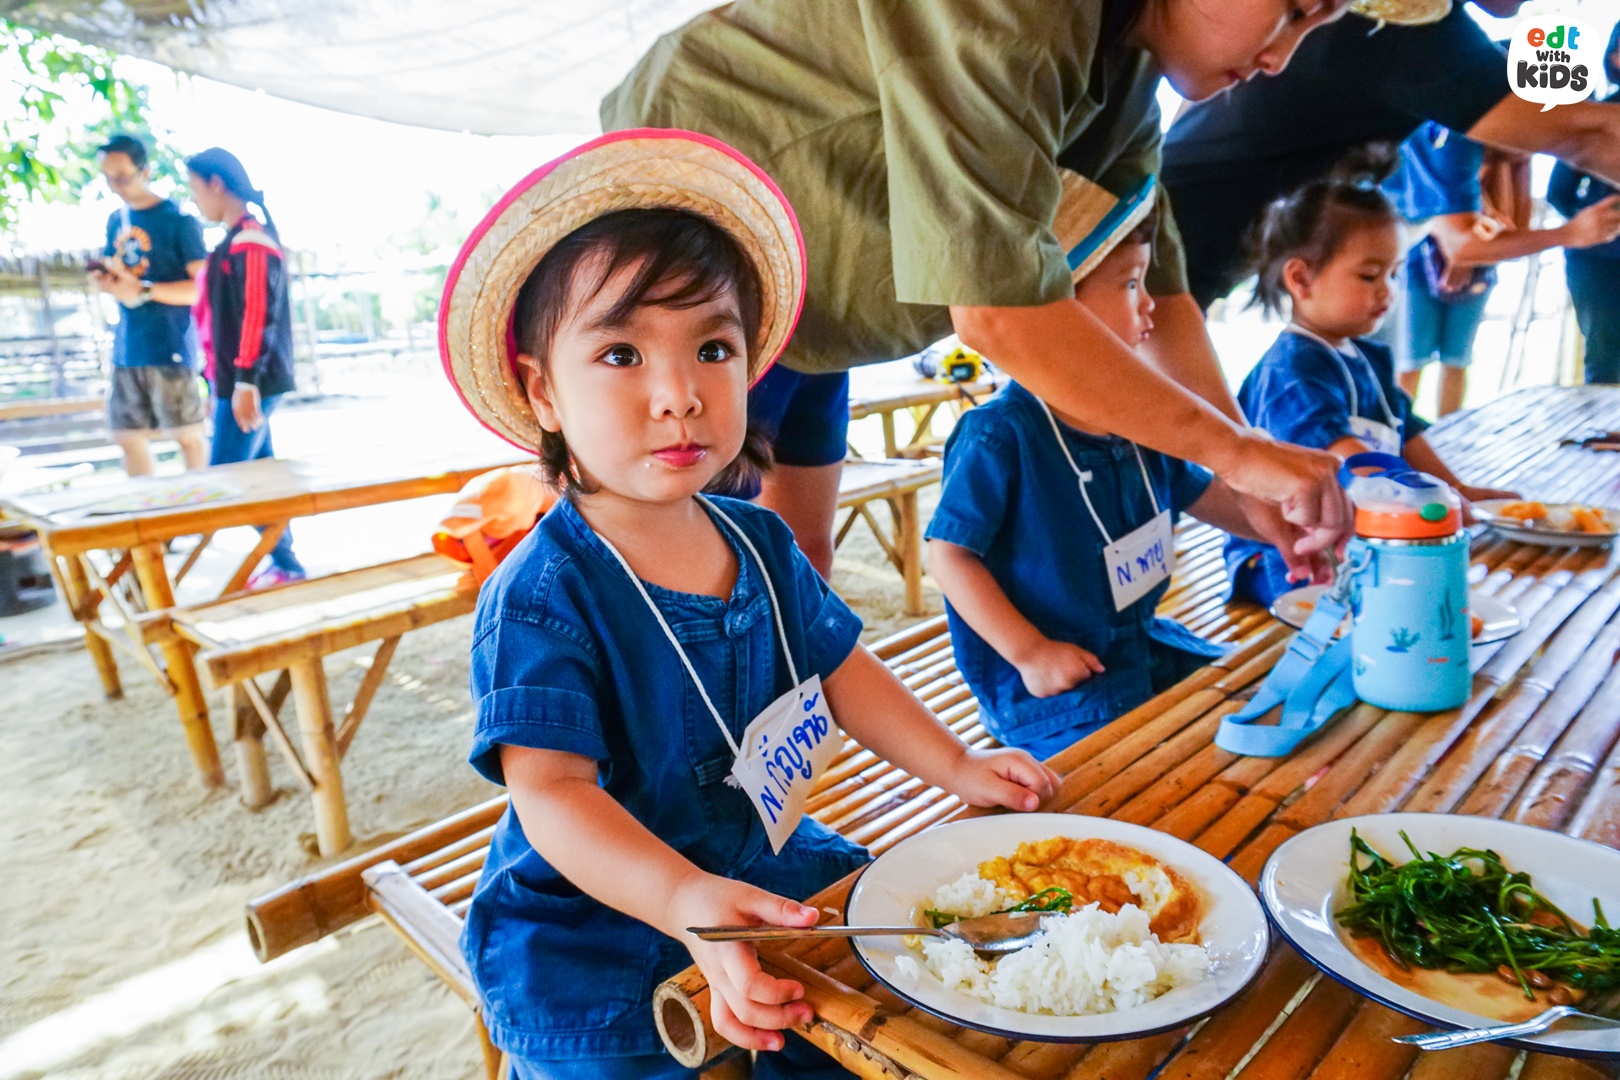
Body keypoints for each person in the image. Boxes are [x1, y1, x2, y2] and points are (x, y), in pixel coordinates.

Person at [439, 131, 1060, 1078]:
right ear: (543, 392)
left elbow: (841, 667)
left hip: (755, 862)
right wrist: (682, 898)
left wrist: (956, 764)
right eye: (620, 353)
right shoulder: (541, 594)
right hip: (593, 936)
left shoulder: (761, 543)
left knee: (881, 986)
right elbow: (553, 795)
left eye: (712, 348)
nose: (678, 394)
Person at [604, 0, 1382, 588]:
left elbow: (1167, 294)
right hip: (703, 257)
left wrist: (1246, 473)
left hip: (818, 315)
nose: (1282, 58)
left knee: (798, 567)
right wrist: (1234, 454)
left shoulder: (1127, 72)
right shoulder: (1021, 12)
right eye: (1294, 9)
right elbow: (998, 312)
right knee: (690, 587)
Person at [925, 205, 1265, 760]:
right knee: (1137, 766)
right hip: (1052, 688)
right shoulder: (1001, 434)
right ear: (1059, 311)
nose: (1150, 303)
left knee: (1247, 700)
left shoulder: (1144, 414)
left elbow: (1204, 494)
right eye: (1131, 283)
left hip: (1141, 647)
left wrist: (1284, 528)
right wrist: (1031, 653)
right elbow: (948, 557)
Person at [1163, 0, 1620, 310]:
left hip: (1175, 240)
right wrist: (1570, 233)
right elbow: (1591, 134)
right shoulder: (1403, 29)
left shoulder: (1402, 23)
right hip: (1163, 251)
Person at [1225, 158, 1517, 606]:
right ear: (1301, 278)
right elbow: (1343, 455)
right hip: (1288, 555)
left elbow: (1407, 433)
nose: (1388, 290)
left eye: (1395, 273)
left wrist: (1458, 491)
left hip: (1365, 530)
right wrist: (1422, 498)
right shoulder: (1292, 370)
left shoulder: (1370, 357)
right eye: (1369, 275)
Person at [1384, 123, 1620, 414]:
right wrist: (1570, 233)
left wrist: (1518, 166)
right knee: (1407, 360)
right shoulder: (1457, 138)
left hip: (1435, 256)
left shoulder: (1499, 156)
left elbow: (1512, 228)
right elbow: (1462, 245)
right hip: (1404, 257)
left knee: (1455, 359)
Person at [186, 148, 307, 587]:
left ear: (216, 184)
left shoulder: (251, 241)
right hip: (234, 381)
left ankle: (279, 563)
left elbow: (257, 314)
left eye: (195, 189)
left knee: (227, 477)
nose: (195, 200)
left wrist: (245, 381)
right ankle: (286, 563)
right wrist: (218, 383)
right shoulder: (231, 242)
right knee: (257, 474)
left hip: (251, 380)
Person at [88, 134, 209, 477]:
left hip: (170, 344)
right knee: (128, 436)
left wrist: (145, 290)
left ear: (146, 171)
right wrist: (110, 282)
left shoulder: (179, 221)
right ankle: (147, 510)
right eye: (108, 178)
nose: (115, 186)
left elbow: (200, 290)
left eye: (122, 177)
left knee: (187, 434)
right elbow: (122, 275)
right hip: (128, 345)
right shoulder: (116, 220)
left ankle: (204, 509)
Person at [1548, 23, 1620, 385]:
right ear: (1615, 58)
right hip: (1600, 261)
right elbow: (1558, 191)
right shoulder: (1593, 118)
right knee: (1605, 361)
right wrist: (1592, 226)